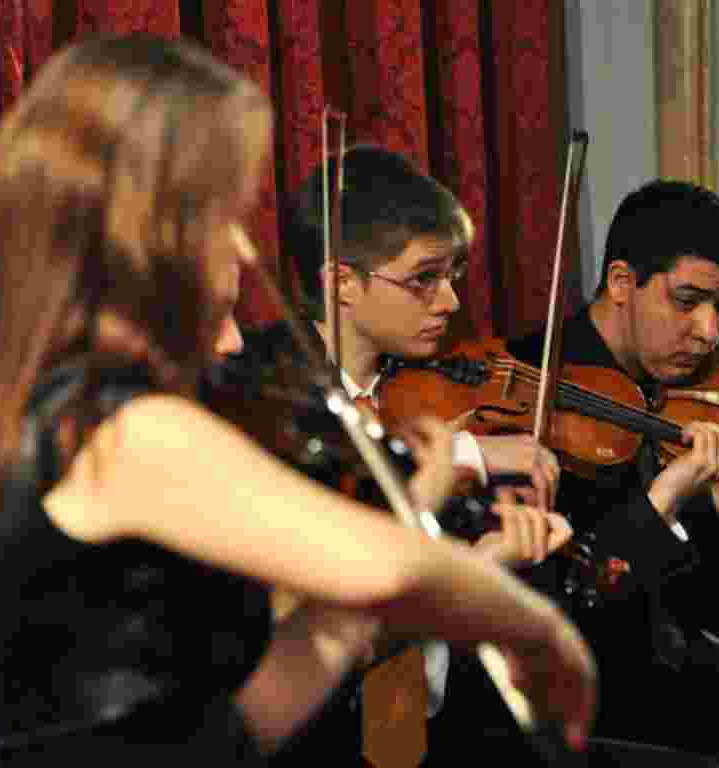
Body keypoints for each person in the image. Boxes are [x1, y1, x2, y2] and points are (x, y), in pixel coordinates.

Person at [0, 34, 595, 765]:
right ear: (150, 235)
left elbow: (233, 730)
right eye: (222, 218)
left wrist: (407, 516)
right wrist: (540, 634)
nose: (242, 253)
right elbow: (392, 570)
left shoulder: (69, 413)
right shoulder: (118, 429)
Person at [276, 145, 578, 767]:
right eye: (423, 279)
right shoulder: (283, 406)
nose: (451, 302)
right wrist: (467, 454)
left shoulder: (415, 397)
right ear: (341, 283)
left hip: (439, 729)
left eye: (452, 276)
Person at [505, 179, 719, 765]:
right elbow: (572, 600)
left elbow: (700, 588)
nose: (710, 332)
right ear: (620, 283)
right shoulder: (529, 392)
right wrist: (671, 495)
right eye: (687, 302)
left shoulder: (683, 387)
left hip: (677, 665)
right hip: (584, 694)